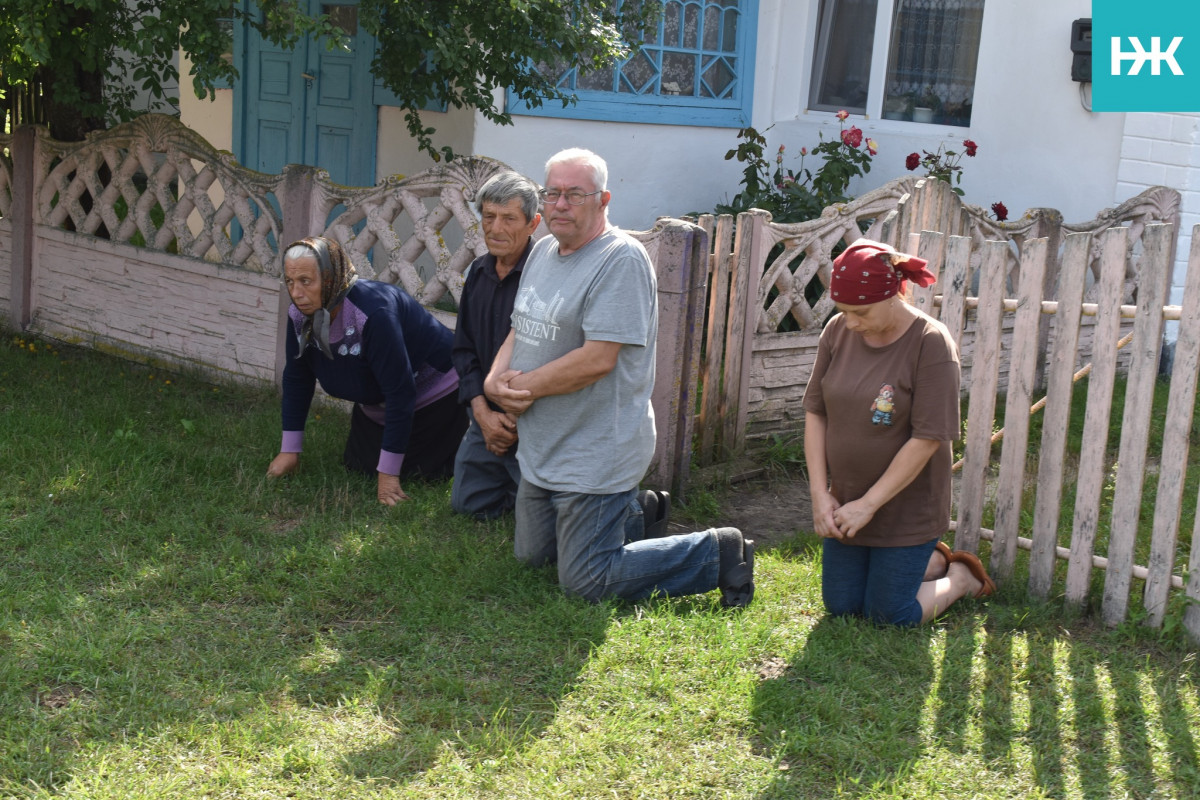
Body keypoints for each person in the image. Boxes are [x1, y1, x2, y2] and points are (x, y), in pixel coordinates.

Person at [484, 148, 754, 606]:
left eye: (575, 194)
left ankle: (719, 552)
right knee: (533, 560)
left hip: (595, 447)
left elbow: (597, 360)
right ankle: (636, 513)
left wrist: (520, 389)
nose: (561, 204)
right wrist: (493, 382)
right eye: (552, 193)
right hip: (545, 442)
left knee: (587, 583)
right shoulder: (545, 250)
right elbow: (521, 325)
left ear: (603, 200)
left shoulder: (620, 261)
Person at [802, 238, 996, 627]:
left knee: (889, 615)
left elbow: (928, 438)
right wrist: (821, 496)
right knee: (841, 607)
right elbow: (815, 413)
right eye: (843, 311)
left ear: (892, 294)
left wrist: (869, 504)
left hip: (907, 508)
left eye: (861, 312)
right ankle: (930, 561)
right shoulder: (838, 331)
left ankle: (958, 576)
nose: (851, 322)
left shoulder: (931, 342)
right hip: (847, 503)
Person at [267, 236, 468, 505]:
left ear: (330, 277)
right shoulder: (299, 315)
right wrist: (289, 450)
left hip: (436, 397)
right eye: (290, 282)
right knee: (359, 466)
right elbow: (297, 377)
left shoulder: (374, 313)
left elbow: (401, 391)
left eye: (306, 281)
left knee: (422, 474)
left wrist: (388, 477)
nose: (296, 293)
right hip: (378, 405)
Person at [449, 172, 540, 519]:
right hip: (486, 413)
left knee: (540, 519)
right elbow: (464, 349)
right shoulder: (478, 272)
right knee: (467, 505)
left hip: (532, 419)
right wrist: (483, 414)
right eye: (489, 216)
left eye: (508, 218)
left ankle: (635, 507)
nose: (495, 228)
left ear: (533, 223)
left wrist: (512, 420)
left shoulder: (545, 275)